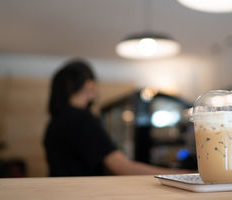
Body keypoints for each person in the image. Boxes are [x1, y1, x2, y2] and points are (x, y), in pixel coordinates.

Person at [44, 59, 186, 176]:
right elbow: (123, 168)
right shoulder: (82, 119)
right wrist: (181, 175)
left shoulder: (54, 123)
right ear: (89, 84)